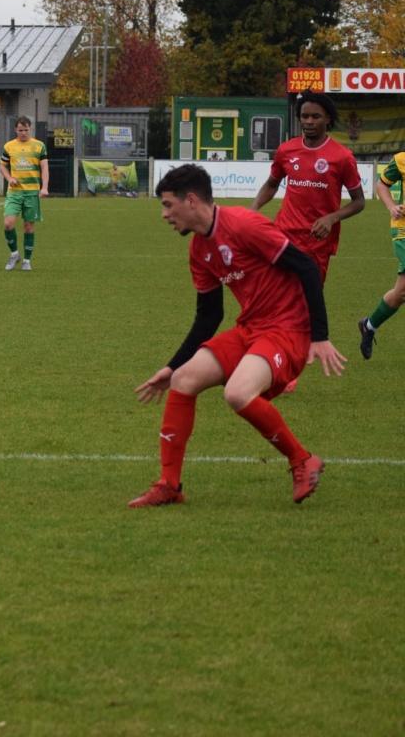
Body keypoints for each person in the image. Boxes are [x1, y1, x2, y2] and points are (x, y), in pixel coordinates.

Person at [130, 164, 345, 509]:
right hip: (252, 328)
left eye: (168, 205)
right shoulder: (199, 250)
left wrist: (319, 336)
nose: (164, 214)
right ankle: (169, 485)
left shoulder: (244, 224)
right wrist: (171, 367)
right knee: (184, 379)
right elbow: (209, 316)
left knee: (237, 393)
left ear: (191, 200)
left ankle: (302, 460)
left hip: (288, 329)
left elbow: (305, 266)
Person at [250, 91, 364, 282]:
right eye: (305, 116)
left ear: (327, 119)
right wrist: (253, 209)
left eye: (315, 116)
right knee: (277, 292)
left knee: (308, 296)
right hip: (283, 234)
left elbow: (359, 201)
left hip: (317, 240)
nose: (309, 121)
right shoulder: (286, 150)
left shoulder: (342, 157)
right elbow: (271, 184)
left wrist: (331, 218)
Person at [356, 151, 405, 359]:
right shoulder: (401, 159)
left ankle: (369, 325)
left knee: (401, 293)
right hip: (403, 230)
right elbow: (382, 184)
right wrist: (392, 207)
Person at [0, 116, 49, 271]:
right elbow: (2, 166)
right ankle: (14, 254)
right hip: (14, 192)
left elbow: (44, 167)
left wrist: (44, 187)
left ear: (30, 129)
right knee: (8, 224)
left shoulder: (39, 146)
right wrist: (9, 178)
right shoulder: (9, 146)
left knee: (28, 226)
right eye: (20, 130)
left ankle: (27, 260)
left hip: (32, 192)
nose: (23, 133)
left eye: (26, 130)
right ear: (16, 129)